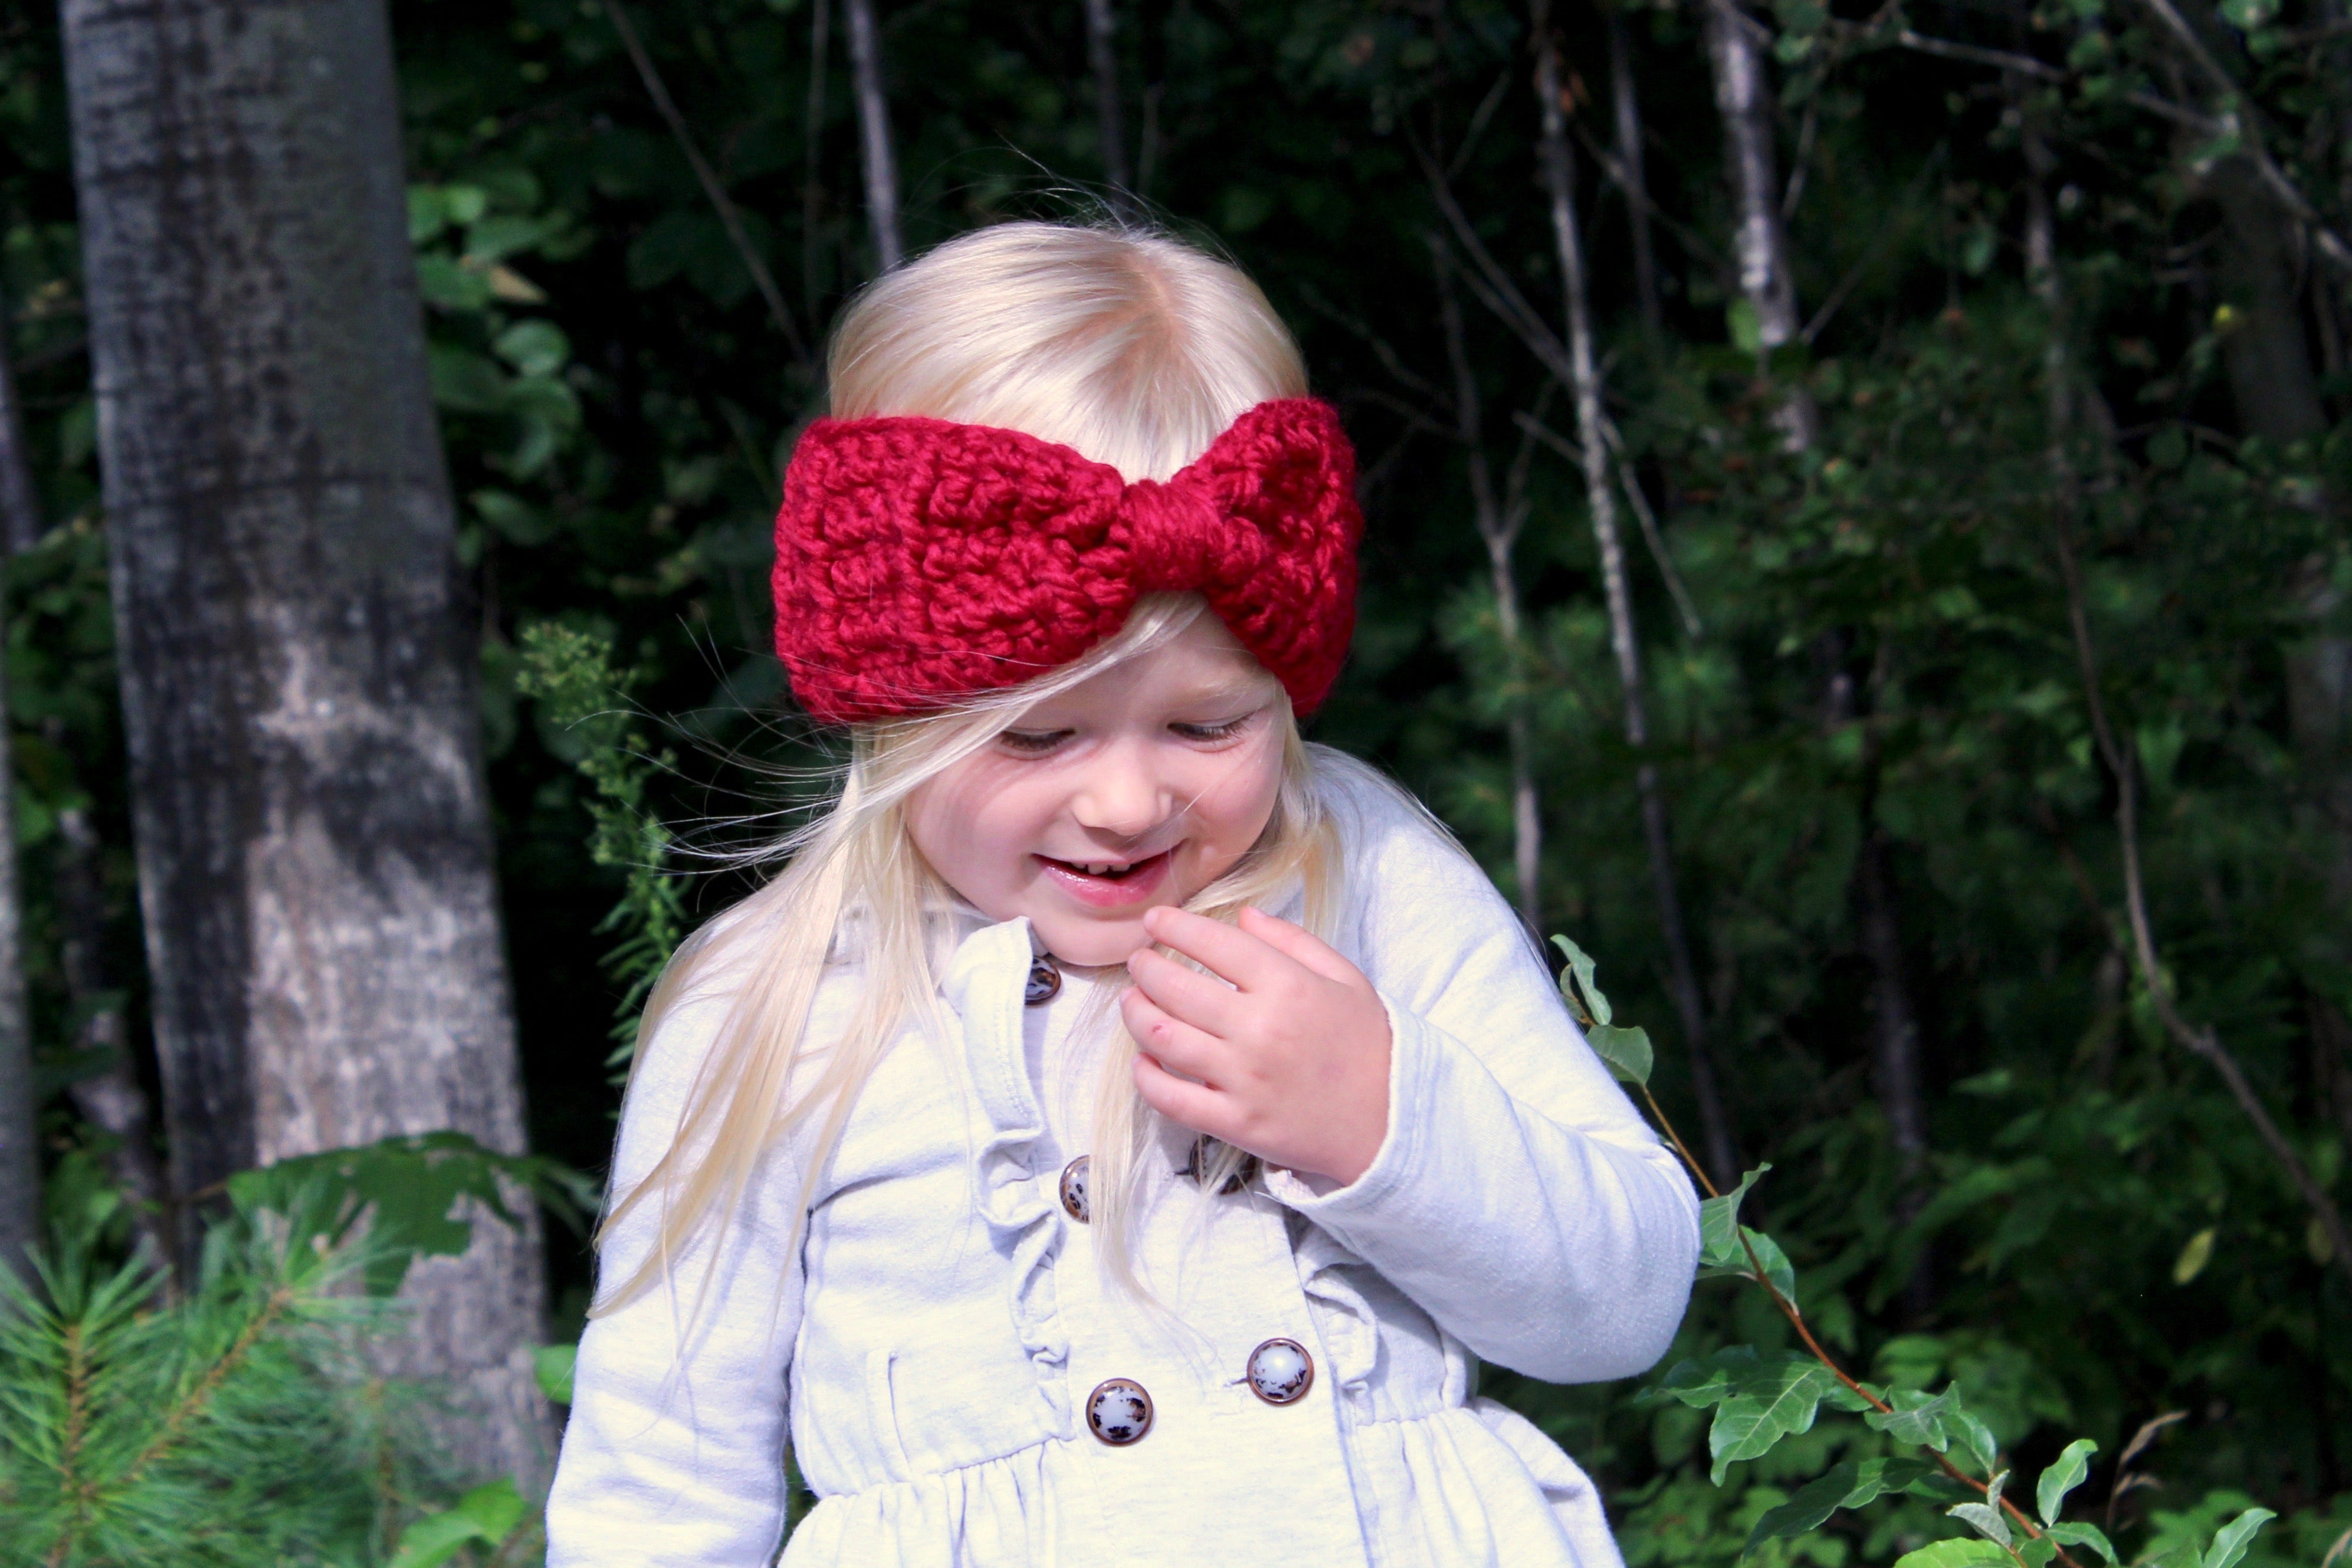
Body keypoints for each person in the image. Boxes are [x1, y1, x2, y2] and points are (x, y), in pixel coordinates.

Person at [544, 220, 1700, 1568]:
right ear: (892, 705)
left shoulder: (1363, 877)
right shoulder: (784, 998)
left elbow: (1624, 1302)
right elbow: (657, 1484)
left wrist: (1384, 1120)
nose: (1125, 804)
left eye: (1206, 728)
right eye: (1039, 739)